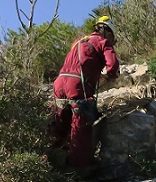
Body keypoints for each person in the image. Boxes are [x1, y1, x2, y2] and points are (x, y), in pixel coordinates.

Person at [50, 16, 120, 173]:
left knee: (60, 123)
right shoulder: (103, 42)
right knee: (80, 126)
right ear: (108, 34)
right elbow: (113, 67)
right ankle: (78, 169)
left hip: (59, 83)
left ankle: (53, 160)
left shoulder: (78, 41)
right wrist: (108, 76)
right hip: (77, 85)